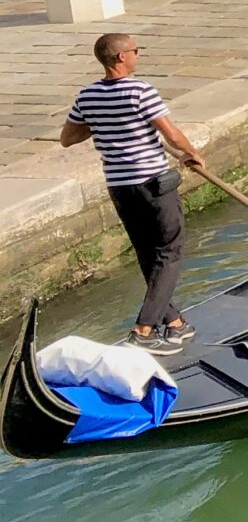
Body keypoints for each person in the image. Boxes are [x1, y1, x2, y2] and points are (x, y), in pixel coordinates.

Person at [58, 33, 206, 355]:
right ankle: (144, 329)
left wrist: (102, 122)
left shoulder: (88, 96)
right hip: (153, 182)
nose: (139, 55)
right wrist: (191, 153)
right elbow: (171, 133)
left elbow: (67, 137)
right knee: (169, 252)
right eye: (136, 51)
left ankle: (175, 323)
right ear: (121, 57)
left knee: (147, 254)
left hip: (120, 186)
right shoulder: (141, 90)